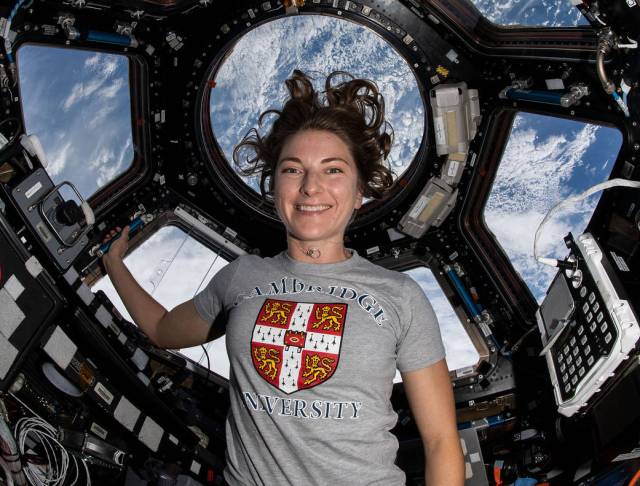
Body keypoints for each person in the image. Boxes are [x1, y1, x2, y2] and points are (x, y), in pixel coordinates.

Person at [102, 70, 464, 485]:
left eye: (333, 170)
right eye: (293, 170)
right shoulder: (240, 277)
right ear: (275, 188)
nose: (311, 187)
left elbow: (440, 441)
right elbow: (163, 330)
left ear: (359, 192)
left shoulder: (401, 295)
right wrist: (114, 265)